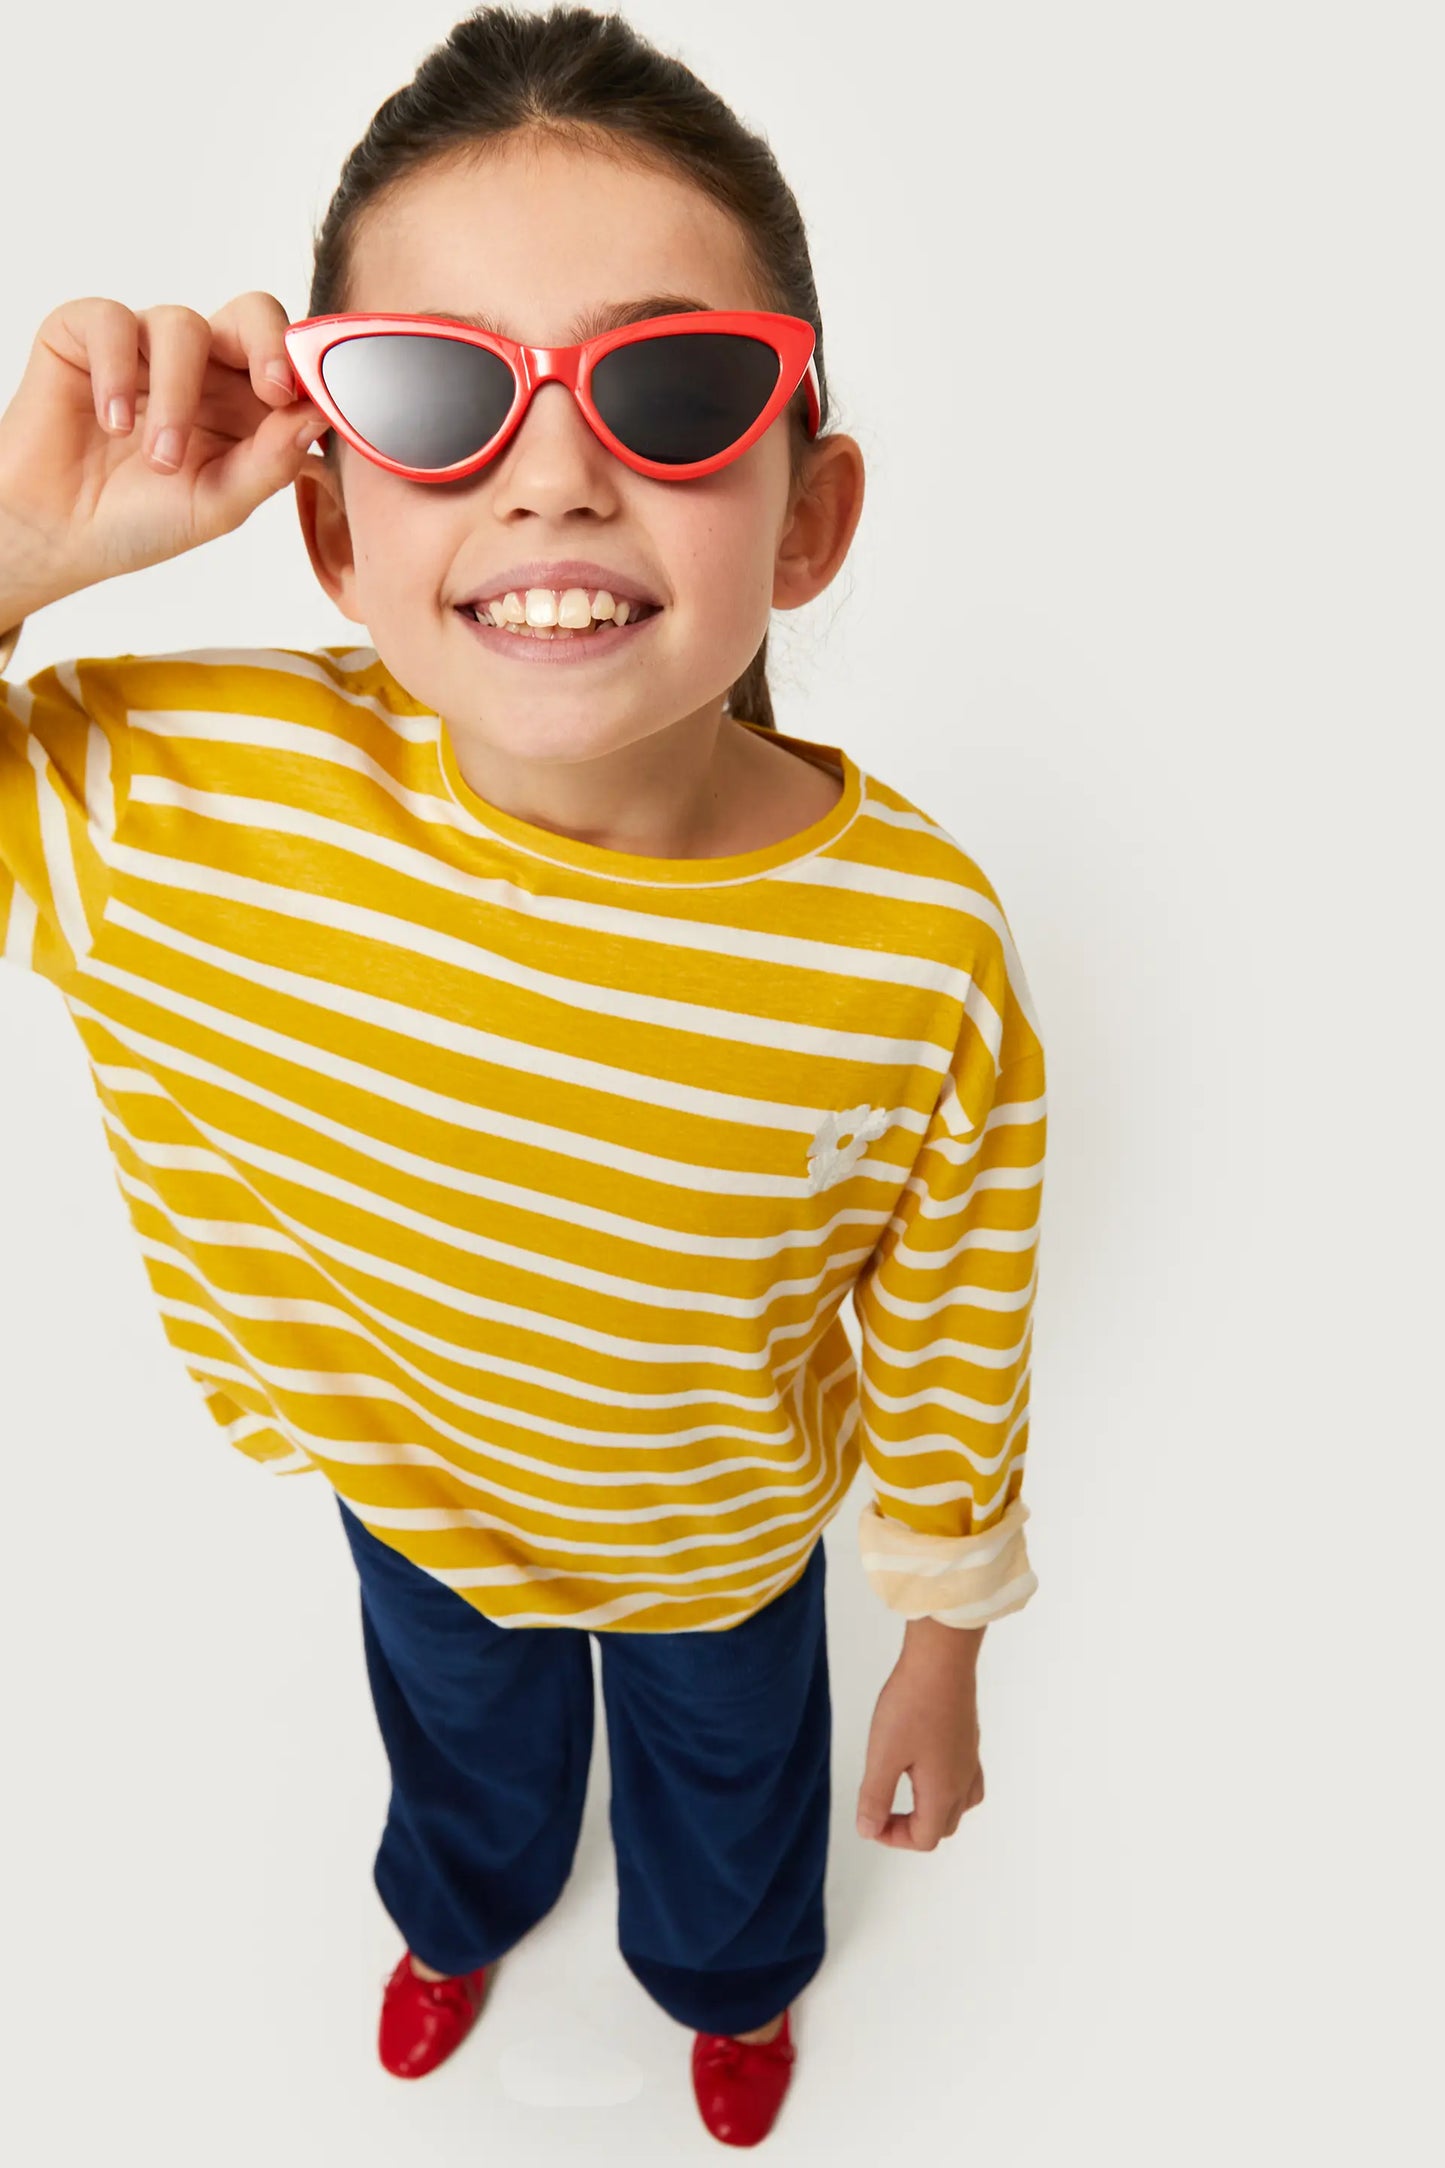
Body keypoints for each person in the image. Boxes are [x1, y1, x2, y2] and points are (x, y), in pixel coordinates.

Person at [0, 4, 1047, 2148]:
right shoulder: (177, 801)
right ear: (328, 523)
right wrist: (22, 547)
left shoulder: (916, 945)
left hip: (725, 1541)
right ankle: (461, 1912)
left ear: (808, 510)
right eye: (434, 396)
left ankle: (730, 1980)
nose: (556, 470)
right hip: (418, 1503)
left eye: (669, 393)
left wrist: (939, 1640)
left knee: (732, 1808)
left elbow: (953, 1324)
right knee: (456, 1755)